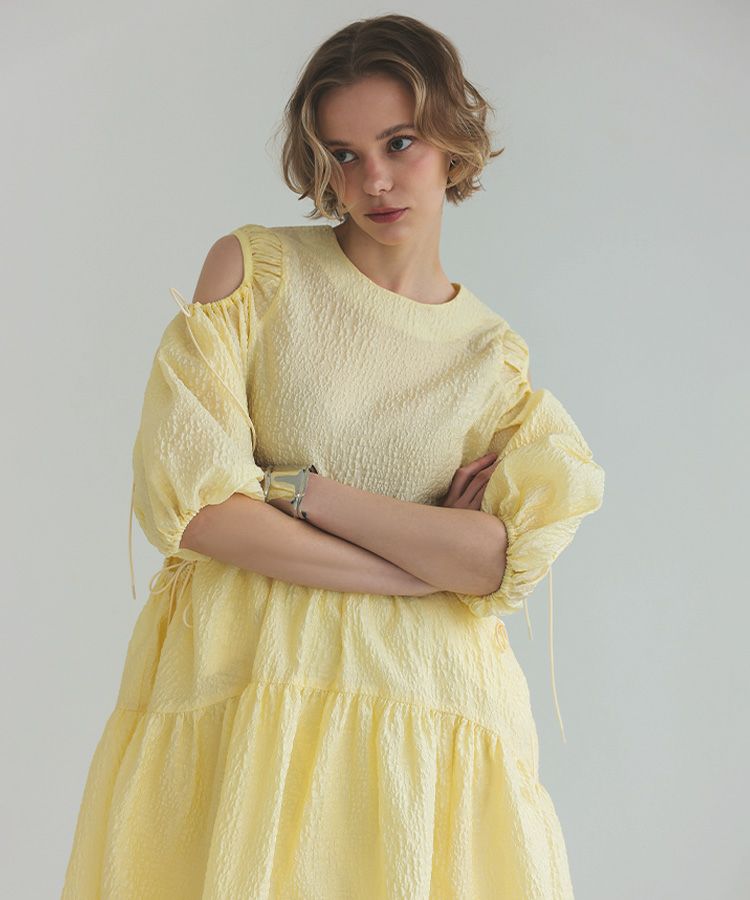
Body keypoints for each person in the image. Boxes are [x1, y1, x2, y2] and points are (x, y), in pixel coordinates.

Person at [62, 13, 605, 899]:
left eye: (400, 142)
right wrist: (415, 566)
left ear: (453, 140)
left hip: (424, 714)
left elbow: (495, 562)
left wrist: (299, 492)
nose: (373, 180)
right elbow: (197, 510)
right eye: (343, 155)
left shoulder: (494, 362)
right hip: (245, 684)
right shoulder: (256, 274)